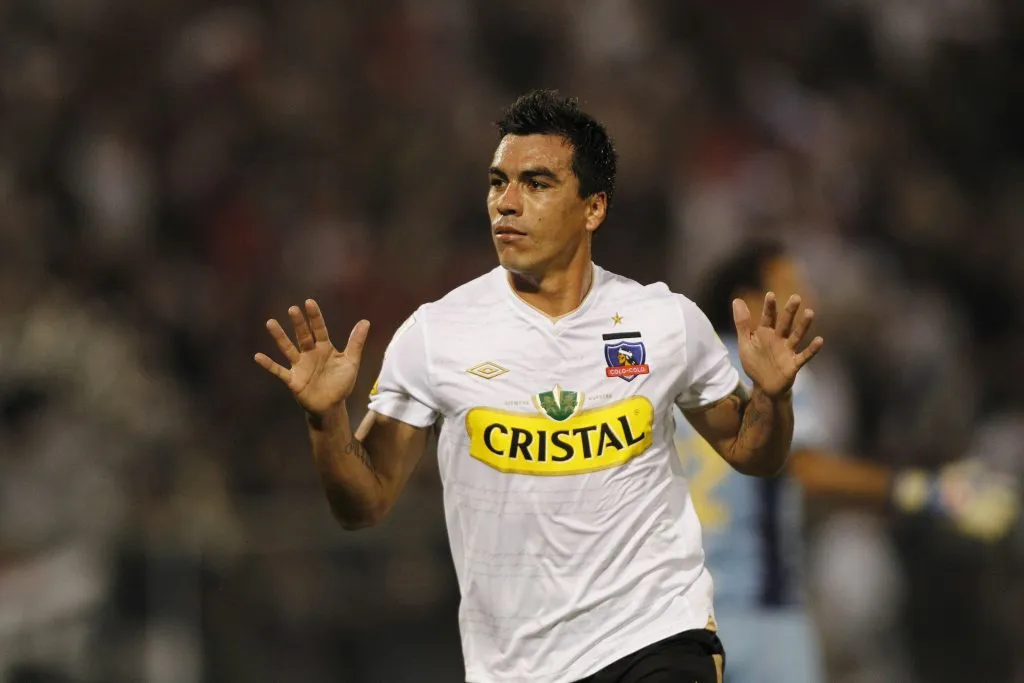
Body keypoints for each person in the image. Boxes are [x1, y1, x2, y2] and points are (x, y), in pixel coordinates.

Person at [254, 90, 824, 683]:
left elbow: (752, 453)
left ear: (593, 208)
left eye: (536, 183)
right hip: (516, 665)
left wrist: (772, 398)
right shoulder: (437, 334)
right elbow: (362, 505)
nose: (506, 202)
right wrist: (326, 421)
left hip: (656, 633)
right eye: (498, 182)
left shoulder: (663, 321)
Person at [672, 240, 1021, 683]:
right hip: (761, 614)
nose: (810, 299)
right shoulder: (774, 372)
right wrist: (923, 491)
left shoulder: (678, 376)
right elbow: (806, 468)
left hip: (679, 615)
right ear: (752, 301)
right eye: (793, 287)